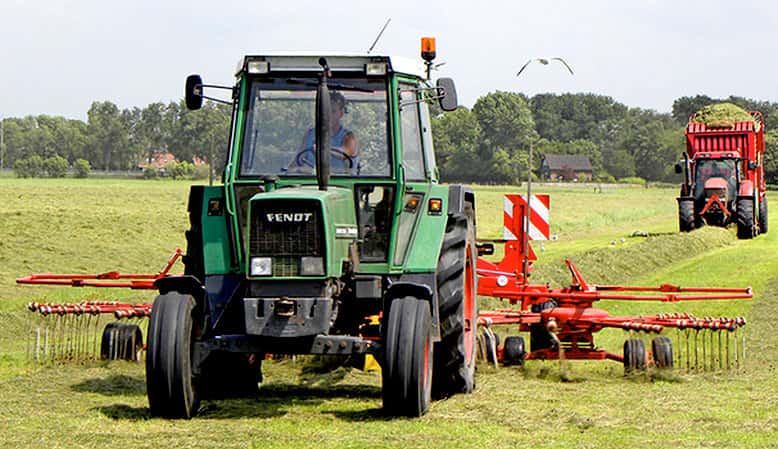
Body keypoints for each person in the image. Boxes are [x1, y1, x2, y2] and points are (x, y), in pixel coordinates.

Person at [290, 91, 359, 174]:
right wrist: (290, 171)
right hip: (311, 182)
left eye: (332, 111)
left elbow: (345, 153)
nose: (327, 115)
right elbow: (298, 160)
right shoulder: (310, 134)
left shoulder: (349, 137)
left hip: (342, 183)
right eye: (325, 111)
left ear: (340, 114)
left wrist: (322, 150)